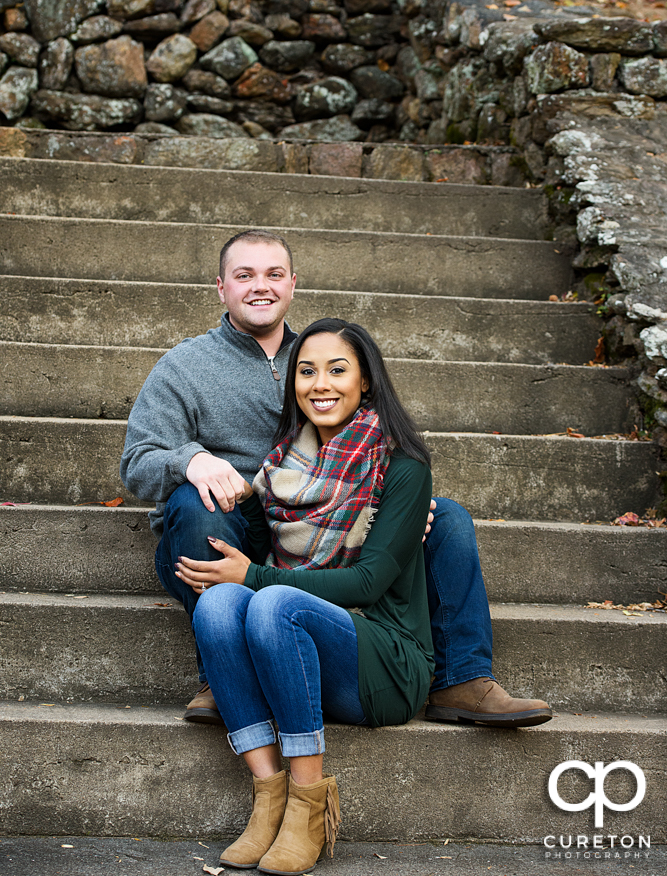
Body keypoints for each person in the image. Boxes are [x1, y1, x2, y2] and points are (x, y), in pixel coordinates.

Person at [120, 229, 551, 729]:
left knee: (448, 515)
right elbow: (137, 463)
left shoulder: (320, 352)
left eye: (274, 274)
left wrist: (395, 507)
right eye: (245, 276)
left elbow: (376, 438)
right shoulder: (184, 367)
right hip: (244, 524)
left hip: (335, 520)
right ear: (221, 287)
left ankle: (462, 677)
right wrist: (192, 461)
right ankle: (221, 674)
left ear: (293, 284)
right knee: (200, 506)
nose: (261, 286)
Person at [174, 319, 435, 874]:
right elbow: (260, 539)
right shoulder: (282, 468)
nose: (321, 383)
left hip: (385, 661)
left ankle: (308, 804)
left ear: (366, 381)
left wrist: (255, 578)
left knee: (270, 601)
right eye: (306, 370)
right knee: (218, 604)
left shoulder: (404, 466)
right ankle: (269, 796)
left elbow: (367, 584)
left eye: (338, 370)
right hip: (300, 651)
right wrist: (234, 494)